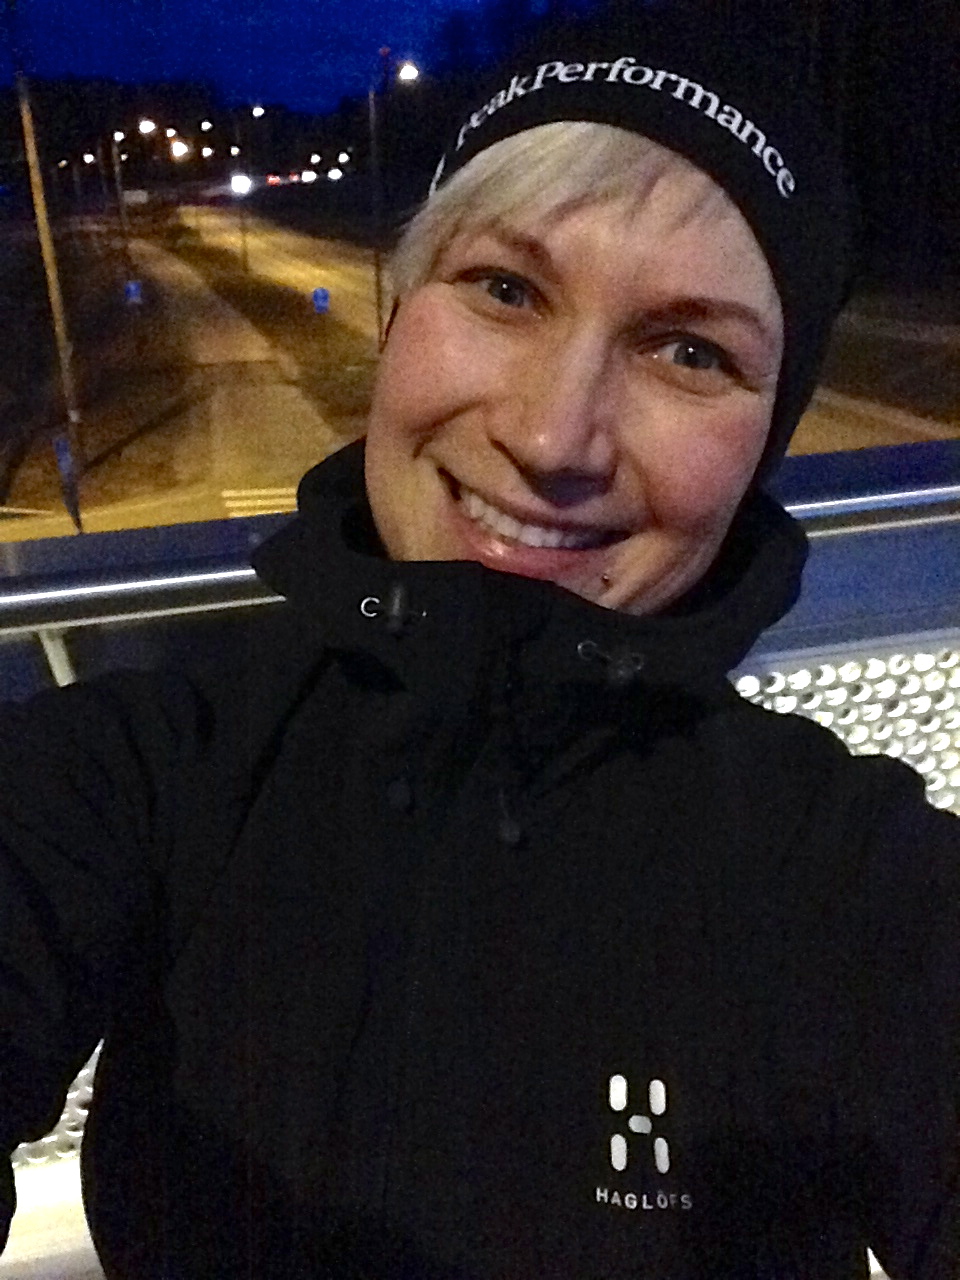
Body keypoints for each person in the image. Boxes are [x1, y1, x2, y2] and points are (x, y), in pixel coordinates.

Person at [2, 5, 959, 1278]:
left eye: (689, 349)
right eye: (507, 288)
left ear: (766, 442)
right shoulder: (139, 770)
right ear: (399, 313)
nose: (555, 436)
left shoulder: (850, 883)